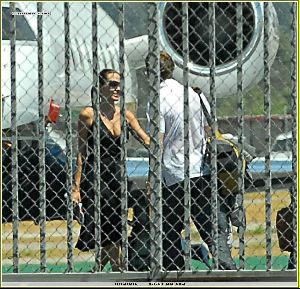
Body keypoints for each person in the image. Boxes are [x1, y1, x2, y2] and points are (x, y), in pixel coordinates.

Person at [156, 51, 236, 270]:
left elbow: (159, 141)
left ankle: (175, 272)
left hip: (174, 173)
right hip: (201, 169)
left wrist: (152, 176)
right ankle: (227, 268)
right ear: (172, 69)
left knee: (169, 228)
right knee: (211, 227)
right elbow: (208, 129)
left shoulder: (157, 99)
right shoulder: (193, 94)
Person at [72, 69, 150, 271]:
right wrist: (76, 187)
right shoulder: (88, 115)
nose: (117, 88)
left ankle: (100, 269)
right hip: (96, 176)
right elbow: (81, 152)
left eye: (119, 84)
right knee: (112, 226)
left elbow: (146, 139)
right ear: (101, 88)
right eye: (112, 84)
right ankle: (119, 269)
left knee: (137, 206)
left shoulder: (126, 115)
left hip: (118, 175)